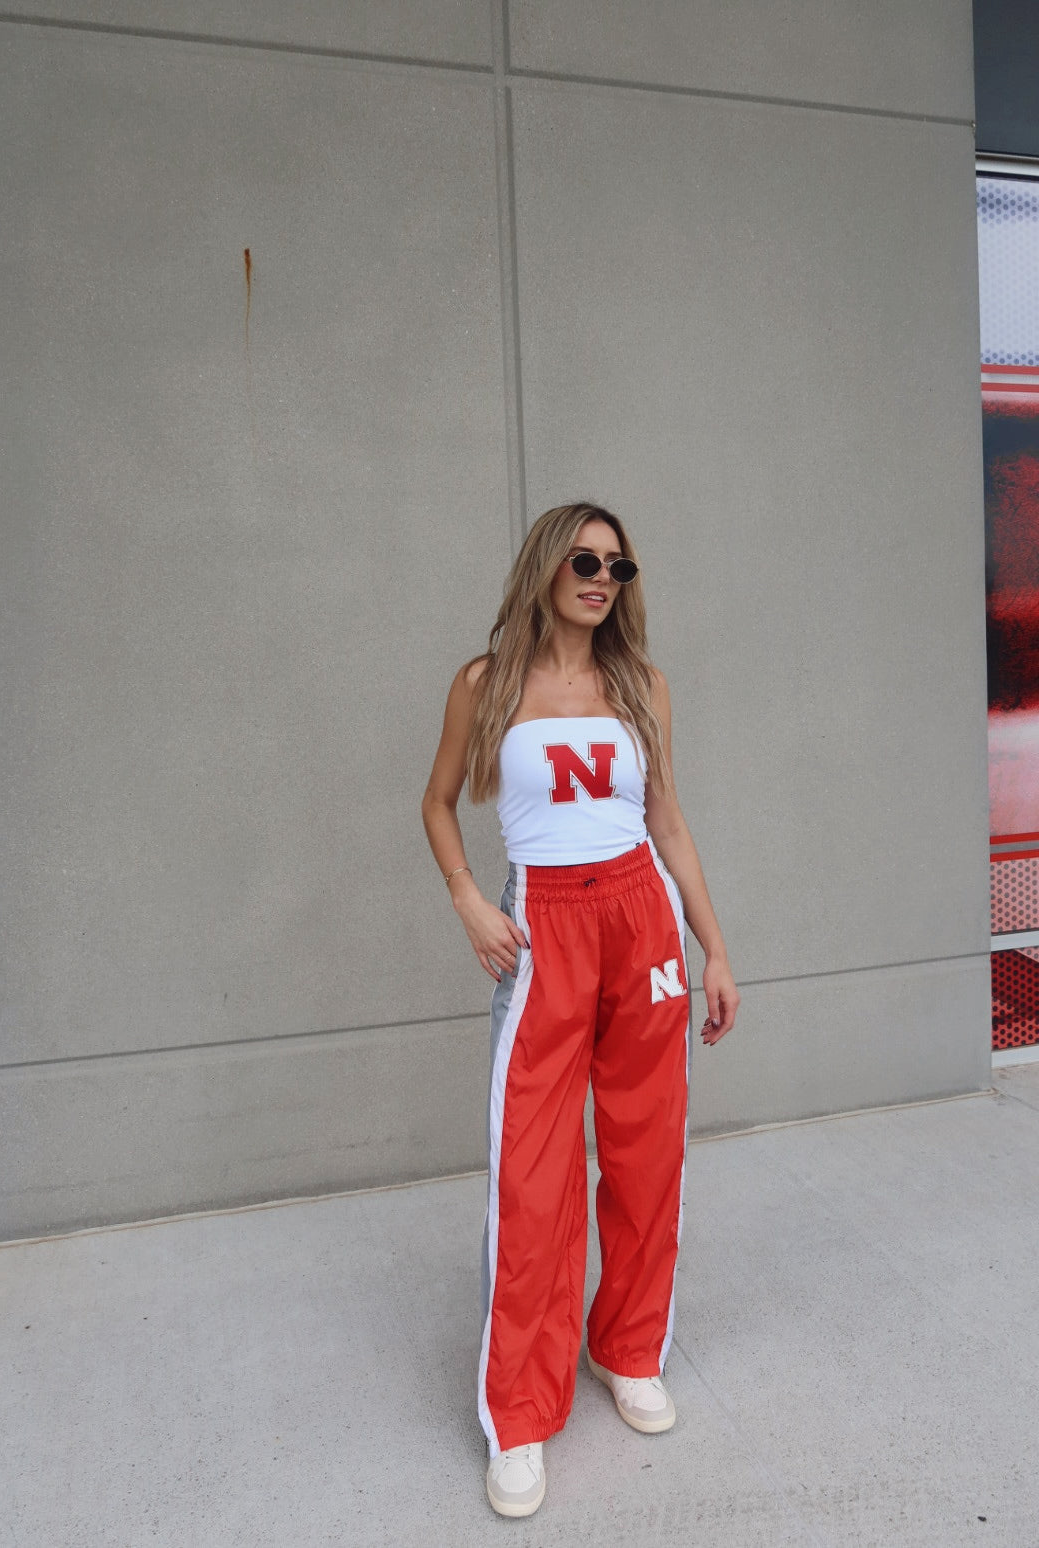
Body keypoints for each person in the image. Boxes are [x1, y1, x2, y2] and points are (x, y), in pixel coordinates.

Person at [421, 502, 739, 1519]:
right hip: (545, 927)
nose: (603, 579)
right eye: (586, 561)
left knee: (647, 1153)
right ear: (547, 567)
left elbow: (668, 822)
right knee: (534, 1175)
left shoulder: (643, 685)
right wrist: (471, 901)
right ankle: (518, 1412)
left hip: (642, 920)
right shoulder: (487, 683)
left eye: (620, 567)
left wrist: (713, 947)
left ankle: (629, 1350)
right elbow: (436, 801)